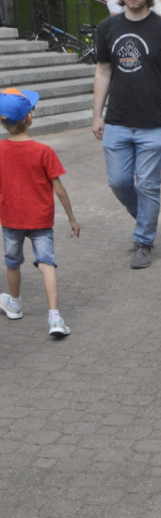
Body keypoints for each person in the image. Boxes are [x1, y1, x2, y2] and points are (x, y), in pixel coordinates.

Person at [92, 0, 161, 270]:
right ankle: (145, 218)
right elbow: (103, 72)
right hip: (117, 121)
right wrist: (96, 114)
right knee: (118, 181)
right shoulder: (107, 28)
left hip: (156, 123)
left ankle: (144, 242)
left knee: (147, 184)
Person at [0, 88, 81, 337]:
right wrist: (71, 217)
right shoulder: (44, 151)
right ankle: (55, 318)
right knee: (47, 264)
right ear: (29, 118)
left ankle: (14, 304)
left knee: (13, 263)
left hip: (11, 219)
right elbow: (59, 189)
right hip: (40, 219)